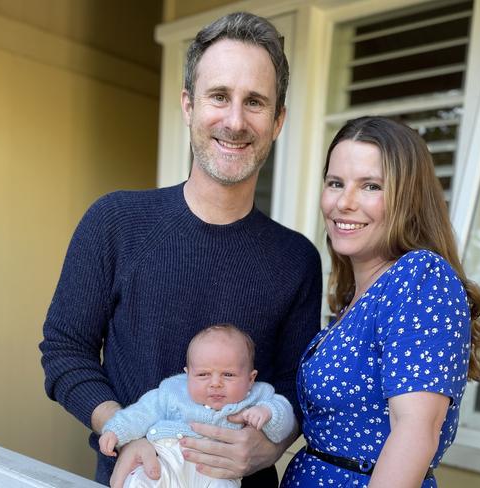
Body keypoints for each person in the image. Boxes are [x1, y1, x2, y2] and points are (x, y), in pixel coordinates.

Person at [39, 11, 322, 488]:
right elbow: (66, 350)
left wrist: (269, 445)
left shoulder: (297, 259)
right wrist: (123, 429)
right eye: (219, 96)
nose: (235, 121)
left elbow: (296, 389)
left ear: (278, 121)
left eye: (254, 102)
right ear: (189, 106)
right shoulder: (115, 221)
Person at [280, 116, 480, 488]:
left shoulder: (420, 277)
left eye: (371, 186)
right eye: (335, 183)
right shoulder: (359, 296)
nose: (344, 202)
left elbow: (415, 431)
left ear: (408, 199)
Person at [99, 324, 295, 488]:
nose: (215, 383)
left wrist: (268, 413)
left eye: (228, 375)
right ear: (187, 374)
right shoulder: (173, 391)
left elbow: (284, 422)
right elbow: (142, 412)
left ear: (250, 378)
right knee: (139, 480)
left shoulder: (258, 397)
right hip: (166, 459)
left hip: (217, 471)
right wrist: (116, 431)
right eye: (203, 375)